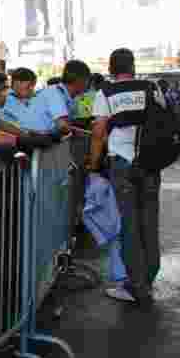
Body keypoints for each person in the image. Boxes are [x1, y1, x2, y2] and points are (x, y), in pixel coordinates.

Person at [86, 48, 162, 308]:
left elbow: (98, 133)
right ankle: (148, 279)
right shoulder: (150, 88)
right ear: (133, 66)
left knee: (129, 226)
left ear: (111, 68)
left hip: (122, 164)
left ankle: (136, 287)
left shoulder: (105, 93)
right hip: (150, 164)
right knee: (149, 223)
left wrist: (93, 164)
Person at [31, 60, 91, 135]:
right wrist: (88, 133)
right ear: (80, 80)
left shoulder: (66, 95)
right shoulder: (55, 94)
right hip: (33, 138)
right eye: (87, 80)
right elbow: (63, 126)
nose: (88, 84)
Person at [0, 68, 52, 132]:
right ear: (16, 83)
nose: (31, 88)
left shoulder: (38, 98)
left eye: (33, 85)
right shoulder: (4, 101)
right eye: (29, 85)